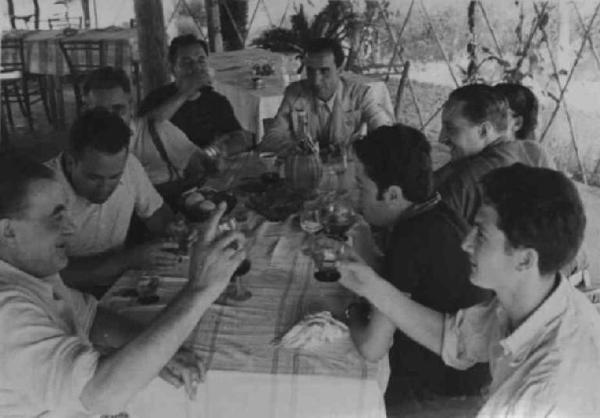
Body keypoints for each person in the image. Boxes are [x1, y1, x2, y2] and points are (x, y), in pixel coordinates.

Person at [340, 163, 600, 417]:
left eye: (481, 235)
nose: (465, 243)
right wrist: (371, 286)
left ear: (525, 260)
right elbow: (454, 338)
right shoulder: (537, 298)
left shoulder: (543, 393)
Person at [0, 154, 247, 417]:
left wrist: (159, 353)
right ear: (7, 232)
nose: (71, 228)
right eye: (56, 218)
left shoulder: (34, 271)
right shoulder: (7, 311)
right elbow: (99, 395)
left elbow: (90, 318)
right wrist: (200, 290)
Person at [348, 125, 491, 405]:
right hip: (472, 380)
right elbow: (397, 283)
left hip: (439, 395)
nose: (356, 197)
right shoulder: (436, 212)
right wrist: (363, 243)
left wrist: (348, 312)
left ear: (392, 194)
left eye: (361, 187)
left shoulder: (412, 239)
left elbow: (371, 347)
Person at [46, 108, 178, 294]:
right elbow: (45, 273)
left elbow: (158, 215)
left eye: (115, 177)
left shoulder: (129, 165)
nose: (105, 188)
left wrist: (175, 230)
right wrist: (127, 260)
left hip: (117, 281)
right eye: (94, 178)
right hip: (65, 294)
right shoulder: (41, 191)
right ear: (70, 162)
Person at [434, 84, 554, 225]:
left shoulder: (463, 180)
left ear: (484, 130)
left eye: (451, 129)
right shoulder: (536, 154)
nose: (441, 138)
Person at [83, 66, 205, 204]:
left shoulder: (156, 130)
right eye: (101, 111)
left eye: (118, 109)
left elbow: (199, 163)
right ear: (86, 110)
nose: (110, 118)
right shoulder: (81, 146)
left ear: (131, 106)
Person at [258, 37, 394, 156]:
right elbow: (270, 139)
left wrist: (362, 149)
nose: (316, 80)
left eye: (324, 71)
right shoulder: (294, 93)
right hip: (306, 171)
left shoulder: (360, 95)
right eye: (310, 71)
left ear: (340, 69)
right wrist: (297, 148)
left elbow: (385, 133)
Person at [138, 34, 252, 156]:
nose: (196, 67)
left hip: (207, 164)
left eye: (201, 61)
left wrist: (217, 151)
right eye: (186, 62)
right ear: (172, 68)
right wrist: (186, 92)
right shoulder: (156, 99)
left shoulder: (216, 101)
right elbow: (144, 133)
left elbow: (239, 137)